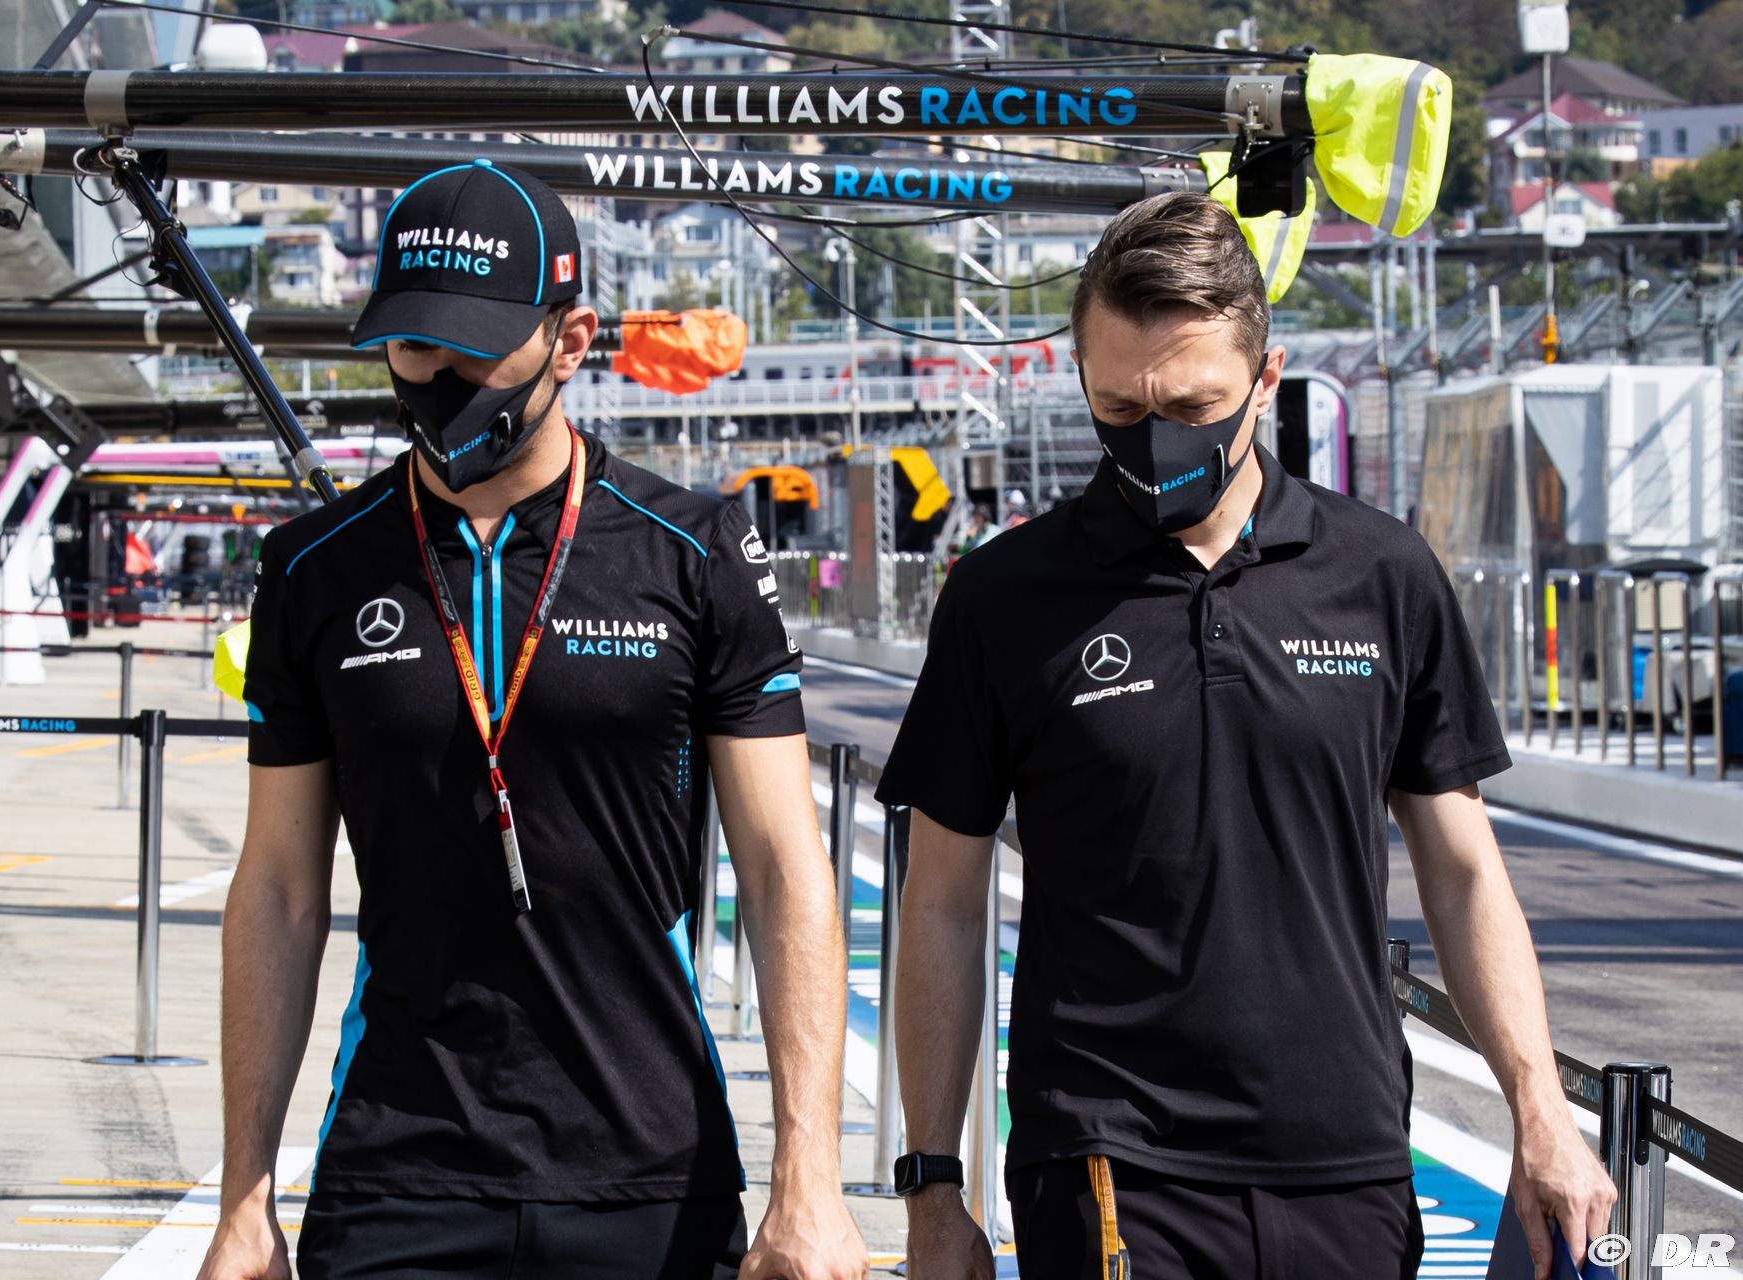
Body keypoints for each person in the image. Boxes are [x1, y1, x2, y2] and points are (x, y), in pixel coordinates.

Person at [875, 193, 1614, 1280]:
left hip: (1349, 1159)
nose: (1154, 438)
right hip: (1106, 1158)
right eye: (1117, 405)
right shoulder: (1004, 597)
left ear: (1267, 380)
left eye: (1193, 405)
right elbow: (942, 899)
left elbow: (1464, 872)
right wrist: (934, 1187)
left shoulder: (1382, 575)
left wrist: (1540, 1111)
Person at [197, 160, 867, 1280]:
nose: (439, 377)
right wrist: (243, 1201)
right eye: (414, 346)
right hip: (395, 1172)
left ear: (572, 339)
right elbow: (277, 886)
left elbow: (784, 866)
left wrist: (811, 1180)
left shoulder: (694, 552)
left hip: (652, 1172)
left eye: (474, 346)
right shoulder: (312, 569)